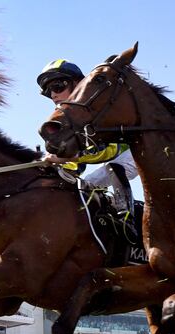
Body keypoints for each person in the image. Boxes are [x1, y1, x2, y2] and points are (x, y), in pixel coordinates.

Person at [37, 59, 139, 216]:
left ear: (78, 83)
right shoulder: (67, 122)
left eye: (57, 86)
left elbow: (111, 150)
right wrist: (52, 168)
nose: (53, 94)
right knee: (84, 186)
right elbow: (74, 167)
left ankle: (126, 216)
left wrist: (70, 158)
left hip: (138, 150)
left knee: (114, 168)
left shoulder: (97, 108)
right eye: (47, 91)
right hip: (116, 159)